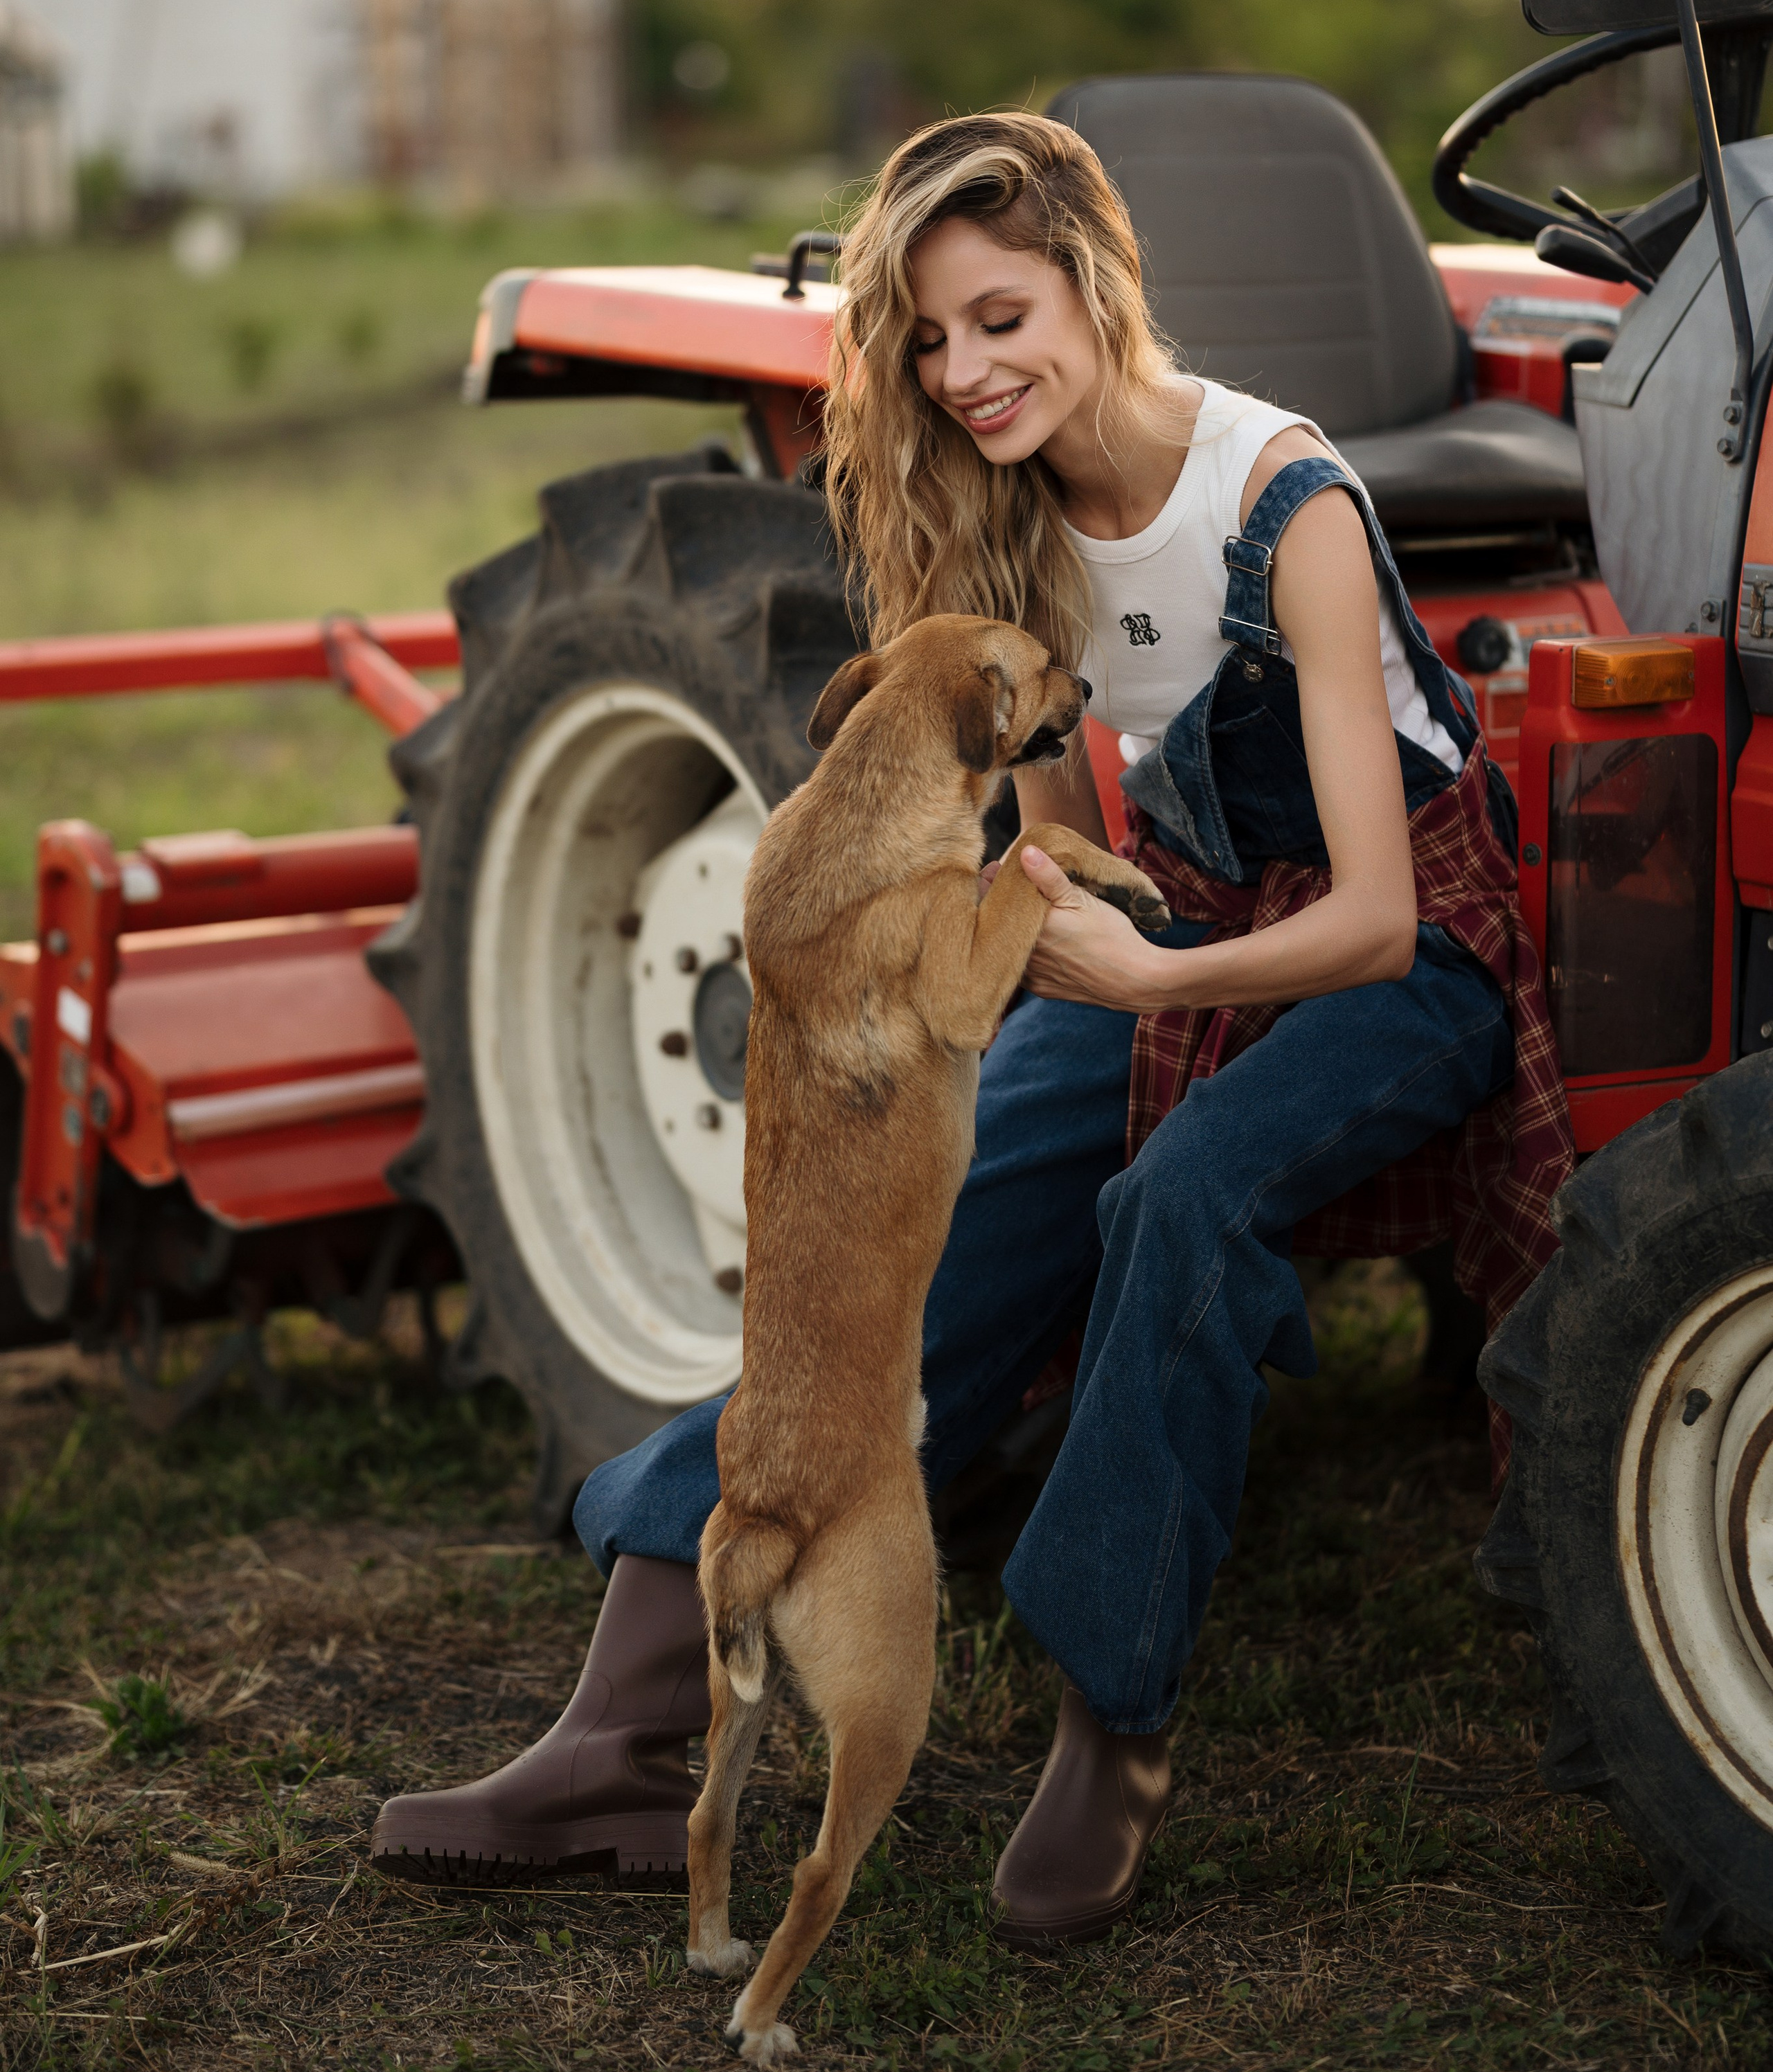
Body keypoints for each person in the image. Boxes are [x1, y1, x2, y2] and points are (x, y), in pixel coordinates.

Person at [372, 113, 1570, 1943]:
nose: (967, 372)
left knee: (1173, 1200)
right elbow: (1091, 797)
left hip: (1387, 949)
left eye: (1001, 317)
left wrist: (1155, 989)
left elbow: (1380, 908)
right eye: (932, 341)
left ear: (1098, 284)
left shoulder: (1286, 506)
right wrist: (1035, 962)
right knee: (919, 1234)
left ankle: (1116, 1722)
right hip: (1166, 912)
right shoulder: (1016, 521)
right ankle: (625, 1730)